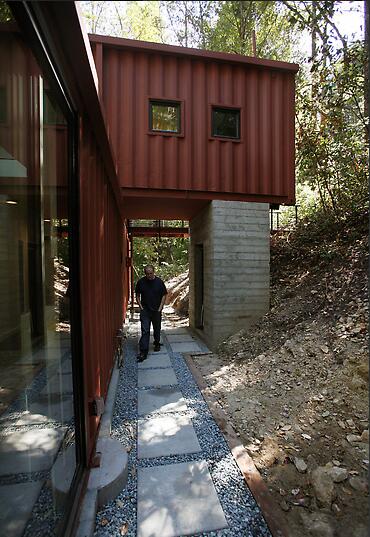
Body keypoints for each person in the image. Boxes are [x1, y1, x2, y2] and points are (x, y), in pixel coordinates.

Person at [135, 265, 167, 362]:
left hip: (156, 310)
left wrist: (160, 307)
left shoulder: (159, 282)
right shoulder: (141, 282)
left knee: (157, 328)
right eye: (147, 273)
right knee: (145, 330)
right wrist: (140, 307)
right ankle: (143, 352)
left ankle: (157, 343)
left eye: (151, 273)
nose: (149, 275)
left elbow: (164, 294)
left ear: (154, 272)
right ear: (145, 273)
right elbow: (137, 295)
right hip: (145, 310)